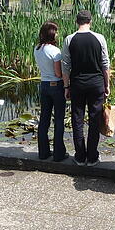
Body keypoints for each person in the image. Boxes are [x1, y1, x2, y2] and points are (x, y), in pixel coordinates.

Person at [62, 10, 111, 167]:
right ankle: (92, 156)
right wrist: (107, 84)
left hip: (77, 83)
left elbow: (65, 66)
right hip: (96, 83)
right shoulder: (99, 38)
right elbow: (105, 64)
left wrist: (66, 86)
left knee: (77, 119)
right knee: (94, 119)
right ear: (90, 21)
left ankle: (80, 156)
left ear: (77, 21)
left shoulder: (69, 39)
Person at [33, 21, 68, 162]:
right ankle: (59, 153)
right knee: (59, 119)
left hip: (44, 85)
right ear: (52, 34)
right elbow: (59, 73)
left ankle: (43, 151)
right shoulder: (55, 51)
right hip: (56, 85)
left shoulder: (37, 49)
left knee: (44, 119)